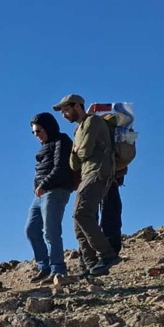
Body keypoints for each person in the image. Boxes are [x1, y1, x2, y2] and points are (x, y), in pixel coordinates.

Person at [53, 94, 119, 276]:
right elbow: (74, 163)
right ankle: (90, 265)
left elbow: (85, 151)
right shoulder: (78, 130)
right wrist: (78, 150)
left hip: (98, 172)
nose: (64, 115)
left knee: (82, 214)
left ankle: (107, 255)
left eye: (66, 110)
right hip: (87, 175)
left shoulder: (93, 122)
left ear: (78, 106)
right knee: (77, 220)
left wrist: (78, 150)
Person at [26, 112, 75, 283]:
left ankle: (58, 269)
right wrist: (37, 187)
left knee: (51, 231)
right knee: (31, 229)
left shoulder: (62, 141)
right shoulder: (45, 147)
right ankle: (44, 267)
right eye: (33, 132)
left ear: (48, 128)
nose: (36, 135)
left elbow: (61, 167)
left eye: (38, 131)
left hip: (56, 190)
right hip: (41, 194)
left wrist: (44, 184)